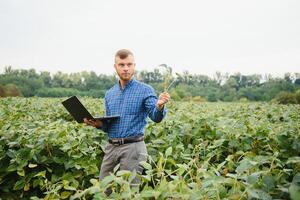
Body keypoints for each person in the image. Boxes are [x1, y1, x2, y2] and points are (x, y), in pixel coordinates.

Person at [84, 49, 170, 187]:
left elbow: (156, 117)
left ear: (134, 66)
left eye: (129, 64)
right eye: (121, 65)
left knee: (129, 192)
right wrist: (97, 124)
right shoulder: (110, 93)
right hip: (111, 147)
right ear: (115, 67)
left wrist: (159, 106)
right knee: (104, 190)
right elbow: (110, 125)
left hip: (133, 148)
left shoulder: (145, 90)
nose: (125, 68)